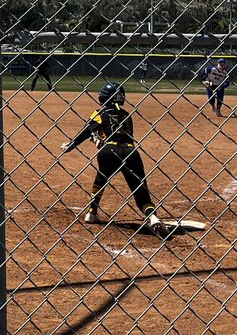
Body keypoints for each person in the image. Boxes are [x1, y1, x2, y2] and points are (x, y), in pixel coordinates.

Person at [59, 81, 176, 236]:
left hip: (109, 151)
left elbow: (86, 131)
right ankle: (152, 216)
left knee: (101, 179)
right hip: (131, 152)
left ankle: (92, 212)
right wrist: (102, 141)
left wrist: (71, 145)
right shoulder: (127, 115)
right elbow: (122, 137)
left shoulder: (100, 113)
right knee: (139, 187)